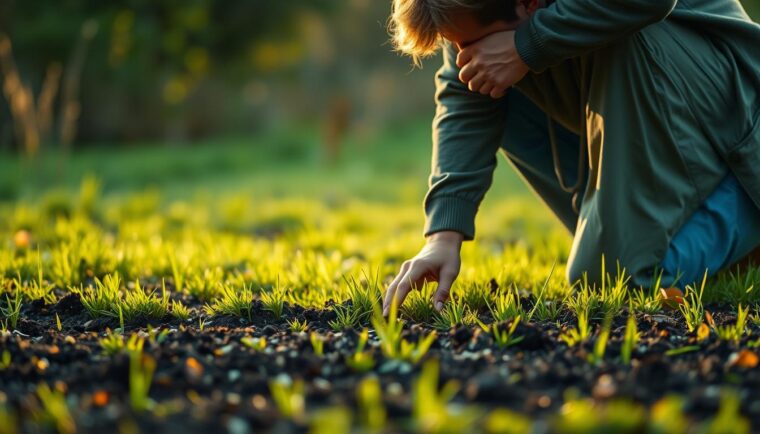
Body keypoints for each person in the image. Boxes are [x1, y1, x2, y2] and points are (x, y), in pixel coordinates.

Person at [381, 0, 760, 316]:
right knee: (487, 74)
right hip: (663, 115)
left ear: (529, 3)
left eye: (473, 42)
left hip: (732, 113)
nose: (467, 55)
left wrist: (527, 45)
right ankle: (631, 234)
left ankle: (741, 204)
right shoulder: (483, 13)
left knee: (613, 281)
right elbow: (464, 90)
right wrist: (442, 235)